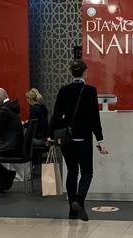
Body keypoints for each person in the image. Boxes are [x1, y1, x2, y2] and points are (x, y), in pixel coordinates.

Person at [48, 60, 108, 221]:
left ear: (71, 72)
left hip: (67, 140)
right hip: (84, 139)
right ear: (85, 72)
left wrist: (50, 136)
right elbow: (95, 118)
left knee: (72, 172)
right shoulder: (90, 91)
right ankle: (79, 201)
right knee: (87, 172)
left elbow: (56, 116)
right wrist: (100, 140)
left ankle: (72, 211)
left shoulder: (63, 90)